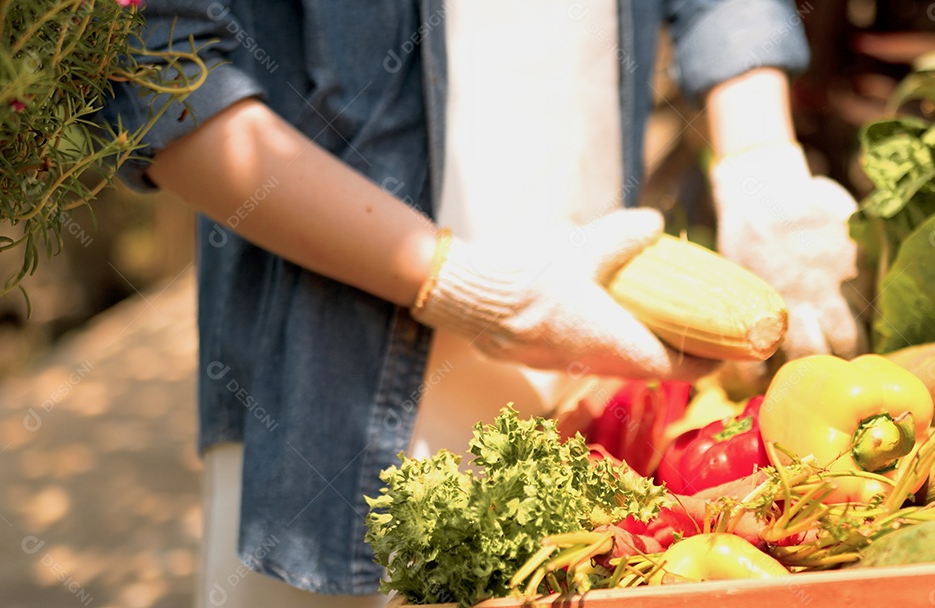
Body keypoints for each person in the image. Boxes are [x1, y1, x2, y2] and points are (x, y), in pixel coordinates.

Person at [99, 1, 864, 606]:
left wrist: (761, 167)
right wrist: (475, 290)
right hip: (332, 412)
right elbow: (160, 80)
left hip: (591, 379)